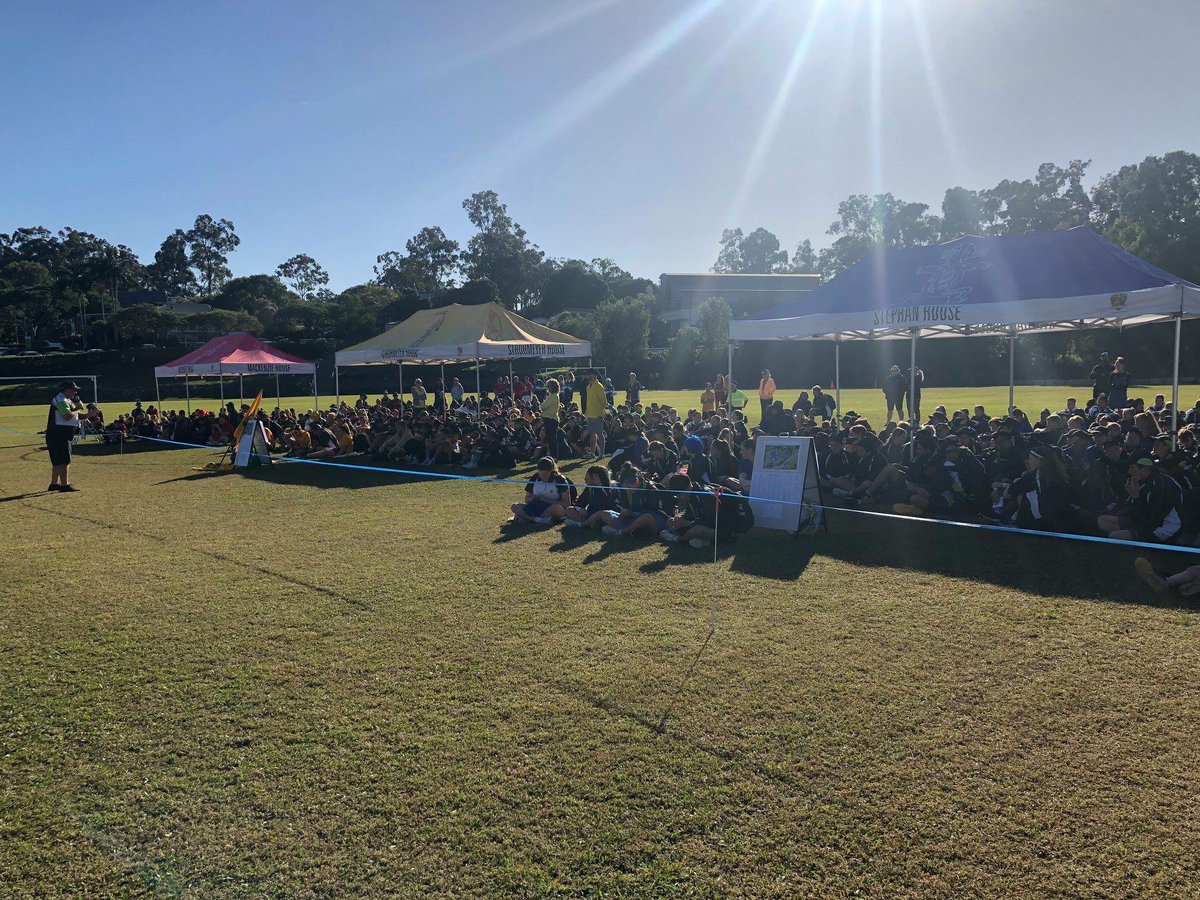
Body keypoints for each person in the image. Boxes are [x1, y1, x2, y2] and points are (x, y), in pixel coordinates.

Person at [45, 380, 85, 492]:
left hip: (62, 435)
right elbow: (67, 416)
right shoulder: (61, 400)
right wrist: (78, 407)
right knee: (64, 460)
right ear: (66, 390)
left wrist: (90, 414)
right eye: (73, 390)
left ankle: (54, 484)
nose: (75, 393)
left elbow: (76, 415)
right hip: (59, 435)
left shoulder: (67, 400)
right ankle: (64, 485)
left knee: (58, 461)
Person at [510, 457, 571, 525]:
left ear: (551, 470)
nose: (543, 477)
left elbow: (567, 504)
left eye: (546, 475)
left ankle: (527, 518)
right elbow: (527, 499)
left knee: (557, 508)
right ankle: (538, 519)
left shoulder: (560, 479)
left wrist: (544, 499)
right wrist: (532, 498)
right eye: (541, 474)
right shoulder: (534, 478)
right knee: (514, 506)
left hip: (551, 508)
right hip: (535, 507)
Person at [582, 370, 608, 458]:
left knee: (599, 434)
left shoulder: (599, 386)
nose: (590, 376)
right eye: (589, 374)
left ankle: (601, 453)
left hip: (597, 414)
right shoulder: (588, 387)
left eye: (592, 374)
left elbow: (604, 401)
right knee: (592, 434)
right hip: (590, 413)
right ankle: (592, 453)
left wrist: (601, 410)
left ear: (596, 376)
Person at [540, 377, 562, 457]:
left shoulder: (552, 396)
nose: (548, 388)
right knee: (550, 439)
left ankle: (554, 456)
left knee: (551, 440)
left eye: (549, 386)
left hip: (550, 419)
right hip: (551, 419)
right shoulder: (555, 396)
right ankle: (552, 455)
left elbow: (543, 407)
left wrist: (541, 404)